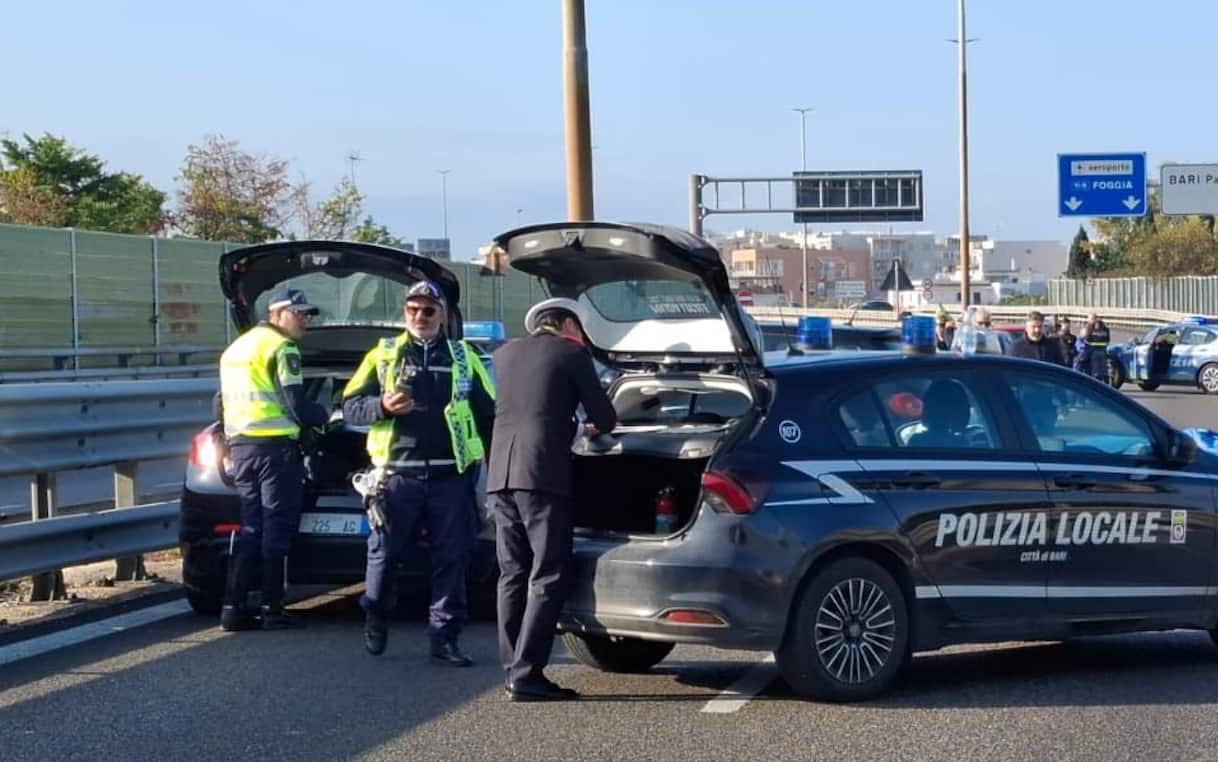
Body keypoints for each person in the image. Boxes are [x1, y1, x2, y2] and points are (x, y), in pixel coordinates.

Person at [341, 280, 496, 666]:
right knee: (384, 555)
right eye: (412, 309)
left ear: (443, 314)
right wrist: (382, 406)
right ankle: (375, 613)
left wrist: (500, 469)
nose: (419, 316)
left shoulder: (464, 356)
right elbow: (350, 406)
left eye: (428, 310)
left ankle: (444, 638)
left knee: (452, 559)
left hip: (450, 476)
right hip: (397, 477)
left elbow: (490, 414)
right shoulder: (384, 354)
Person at [487, 297, 617, 702]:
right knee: (548, 573)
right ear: (567, 325)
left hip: (500, 474)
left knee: (512, 573)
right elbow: (607, 416)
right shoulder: (570, 352)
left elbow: (529, 406)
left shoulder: (505, 353)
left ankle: (513, 668)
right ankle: (528, 675)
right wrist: (587, 427)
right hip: (542, 474)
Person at [217, 288, 329, 631]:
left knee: (251, 526)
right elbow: (295, 402)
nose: (305, 320)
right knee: (276, 528)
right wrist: (325, 416)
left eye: (308, 314)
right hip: (274, 449)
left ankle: (232, 608)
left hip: (242, 447)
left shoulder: (236, 348)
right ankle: (272, 608)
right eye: (299, 314)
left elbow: (218, 403)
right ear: (277, 314)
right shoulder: (283, 348)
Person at [1076, 312, 1111, 381]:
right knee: (1104, 372)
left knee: (1095, 373)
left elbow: (1082, 337)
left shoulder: (1089, 327)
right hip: (1103, 351)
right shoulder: (1105, 329)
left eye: (1089, 319)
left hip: (1093, 352)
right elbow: (1107, 341)